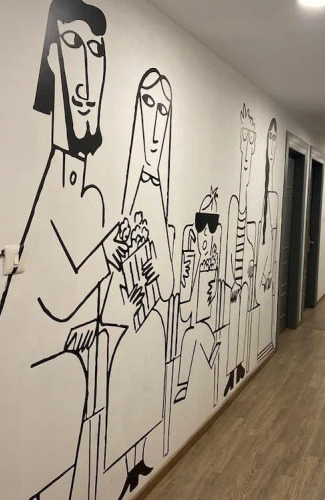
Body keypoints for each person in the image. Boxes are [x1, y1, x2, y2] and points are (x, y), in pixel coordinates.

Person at [0, 1, 127, 498]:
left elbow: (69, 299)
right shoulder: (48, 181)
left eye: (96, 51)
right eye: (72, 44)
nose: (87, 72)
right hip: (7, 406)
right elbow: (57, 293)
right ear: (51, 59)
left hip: (48, 375)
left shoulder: (86, 191)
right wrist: (109, 257)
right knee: (77, 380)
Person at [101, 68, 175, 499]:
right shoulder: (121, 193)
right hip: (120, 319)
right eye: (148, 104)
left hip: (148, 315)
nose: (156, 122)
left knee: (147, 369)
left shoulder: (156, 191)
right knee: (128, 374)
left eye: (164, 110)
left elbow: (167, 279)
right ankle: (124, 464)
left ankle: (141, 458)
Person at [174, 188, 222, 404]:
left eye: (210, 230)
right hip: (194, 309)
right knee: (191, 334)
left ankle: (182, 385)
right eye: (202, 229)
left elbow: (207, 291)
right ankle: (211, 349)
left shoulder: (210, 258)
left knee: (190, 334)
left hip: (199, 308)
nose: (206, 237)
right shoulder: (193, 254)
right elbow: (187, 287)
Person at [223, 105, 257, 397]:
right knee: (232, 323)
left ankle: (241, 365)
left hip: (243, 279)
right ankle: (231, 371)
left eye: (251, 141)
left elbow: (246, 240)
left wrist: (249, 266)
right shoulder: (234, 203)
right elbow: (227, 245)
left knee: (243, 321)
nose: (247, 151)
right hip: (232, 283)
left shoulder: (247, 203)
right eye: (244, 139)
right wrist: (232, 280)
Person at [256, 118, 280, 362]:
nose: (272, 144)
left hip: (266, 266)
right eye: (270, 138)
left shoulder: (273, 196)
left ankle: (266, 343)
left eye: (275, 138)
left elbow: (271, 237)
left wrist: (268, 271)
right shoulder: (263, 193)